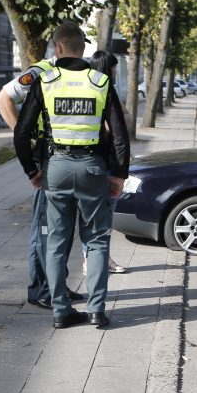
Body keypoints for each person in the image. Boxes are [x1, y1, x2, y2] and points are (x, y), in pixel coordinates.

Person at [13, 22, 130, 329]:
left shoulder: (46, 81)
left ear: (58, 48)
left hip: (57, 167)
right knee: (96, 241)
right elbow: (119, 135)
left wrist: (32, 170)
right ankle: (96, 311)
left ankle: (61, 312)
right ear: (83, 49)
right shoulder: (100, 82)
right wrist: (119, 174)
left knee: (56, 242)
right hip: (93, 168)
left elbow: (22, 132)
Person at [0, 47, 85, 310]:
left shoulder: (77, 72)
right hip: (48, 161)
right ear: (60, 47)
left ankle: (57, 285)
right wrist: (24, 135)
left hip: (67, 163)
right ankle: (41, 289)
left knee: (63, 230)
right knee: (46, 229)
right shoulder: (42, 72)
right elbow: (3, 99)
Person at [86, 49, 128, 275]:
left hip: (79, 162)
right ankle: (99, 261)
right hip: (104, 163)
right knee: (102, 218)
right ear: (107, 69)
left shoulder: (86, 88)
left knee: (87, 219)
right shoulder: (105, 90)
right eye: (113, 69)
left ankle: (90, 260)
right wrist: (121, 172)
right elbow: (118, 134)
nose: (115, 73)